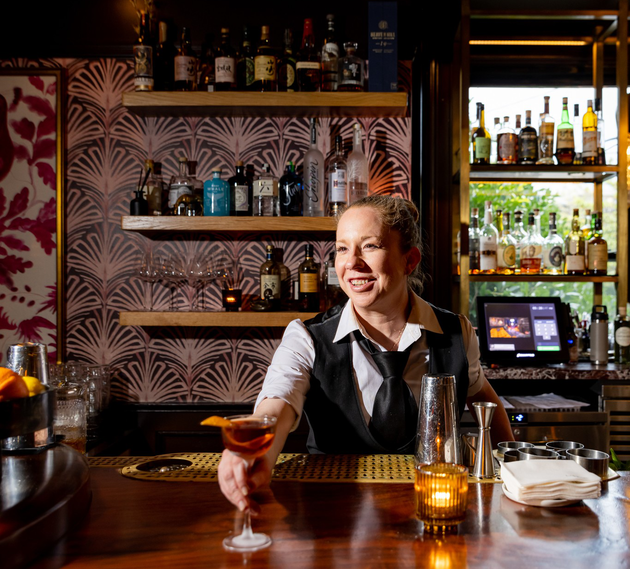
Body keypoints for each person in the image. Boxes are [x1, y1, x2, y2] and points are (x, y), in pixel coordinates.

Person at [218, 196, 514, 512]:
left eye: (370, 246)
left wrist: (513, 472)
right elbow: (279, 403)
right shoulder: (306, 336)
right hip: (332, 517)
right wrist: (251, 447)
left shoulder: (457, 332)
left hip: (434, 510)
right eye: (342, 248)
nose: (352, 262)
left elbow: (483, 397)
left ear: (409, 260)